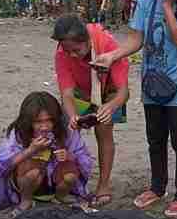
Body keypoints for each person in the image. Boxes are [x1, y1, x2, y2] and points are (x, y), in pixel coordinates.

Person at [95, 0, 177, 218]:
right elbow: (136, 39)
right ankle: (157, 188)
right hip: (153, 83)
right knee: (155, 139)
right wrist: (113, 55)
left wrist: (167, 5)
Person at [53, 14, 129, 208]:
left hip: (109, 85)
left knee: (104, 128)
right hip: (82, 86)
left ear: (87, 41)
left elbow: (123, 92)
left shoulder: (108, 45)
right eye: (67, 50)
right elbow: (67, 94)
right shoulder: (63, 52)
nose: (72, 55)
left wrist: (109, 107)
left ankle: (103, 185)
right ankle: (68, 180)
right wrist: (72, 116)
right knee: (68, 129)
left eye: (76, 50)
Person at [0, 91, 93, 217]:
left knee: (70, 175)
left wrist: (69, 156)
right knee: (32, 173)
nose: (44, 127)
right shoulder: (18, 133)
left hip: (57, 181)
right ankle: (26, 200)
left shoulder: (67, 131)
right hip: (29, 183)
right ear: (28, 121)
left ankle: (61, 196)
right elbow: (2, 164)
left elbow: (85, 157)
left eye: (49, 121)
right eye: (38, 122)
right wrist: (30, 151)